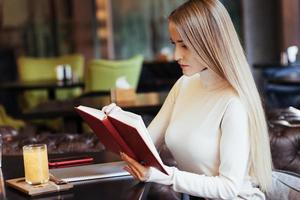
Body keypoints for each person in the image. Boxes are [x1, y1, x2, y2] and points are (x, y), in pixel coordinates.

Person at [103, 0, 273, 199]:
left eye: (185, 46)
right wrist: (119, 120)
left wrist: (163, 176)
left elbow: (228, 188)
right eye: (174, 44)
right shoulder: (184, 84)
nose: (176, 55)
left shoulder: (233, 103)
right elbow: (146, 145)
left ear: (210, 43)